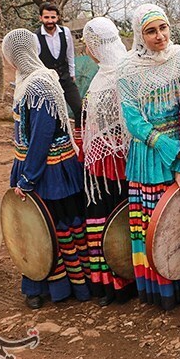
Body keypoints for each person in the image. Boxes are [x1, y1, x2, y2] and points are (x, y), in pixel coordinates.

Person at [2, 28, 90, 309]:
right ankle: (43, 285)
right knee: (35, 228)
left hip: (49, 171)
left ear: (12, 57)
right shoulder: (29, 82)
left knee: (51, 227)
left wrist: (27, 178)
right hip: (38, 165)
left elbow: (41, 136)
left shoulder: (38, 86)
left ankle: (62, 287)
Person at [117, 4, 180, 311]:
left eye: (163, 28)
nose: (160, 36)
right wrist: (170, 152)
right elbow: (133, 121)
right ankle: (161, 291)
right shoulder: (128, 69)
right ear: (140, 35)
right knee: (154, 226)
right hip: (149, 156)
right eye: (151, 31)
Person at [81, 17, 135, 307]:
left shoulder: (121, 74)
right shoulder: (101, 74)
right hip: (102, 161)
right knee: (105, 221)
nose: (87, 50)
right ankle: (110, 283)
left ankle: (122, 283)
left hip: (116, 162)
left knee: (117, 220)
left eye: (88, 45)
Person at [35, 2, 83, 131]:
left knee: (79, 108)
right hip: (48, 82)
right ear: (40, 18)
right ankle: (58, 140)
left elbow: (70, 54)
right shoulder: (35, 37)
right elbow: (36, 62)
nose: (50, 21)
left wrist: (72, 74)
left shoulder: (65, 32)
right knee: (54, 114)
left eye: (53, 17)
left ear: (58, 17)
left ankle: (79, 136)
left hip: (66, 77)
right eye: (46, 17)